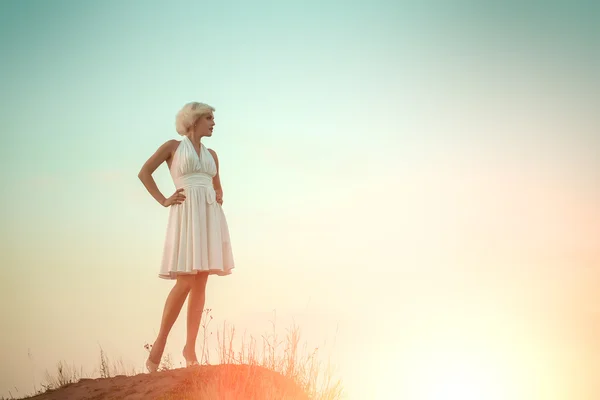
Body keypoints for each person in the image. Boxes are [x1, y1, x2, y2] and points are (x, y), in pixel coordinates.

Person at [137, 101, 235, 373]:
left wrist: (219, 195)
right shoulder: (172, 147)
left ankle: (190, 347)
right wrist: (163, 199)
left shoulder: (212, 154)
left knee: (201, 281)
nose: (213, 123)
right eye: (209, 118)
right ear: (193, 121)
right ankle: (160, 342)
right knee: (186, 280)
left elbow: (217, 185)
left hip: (208, 215)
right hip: (185, 214)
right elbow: (144, 173)